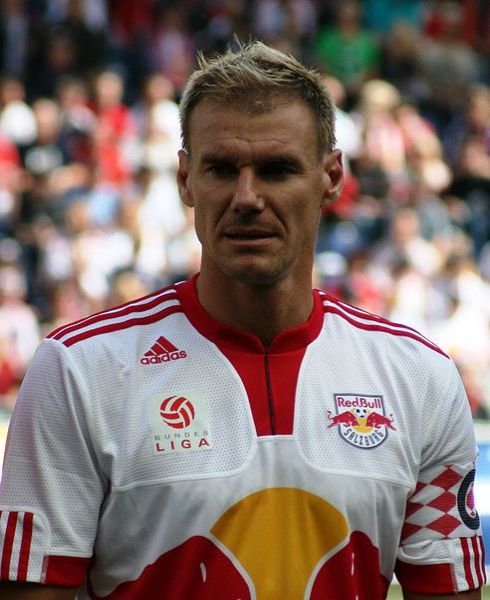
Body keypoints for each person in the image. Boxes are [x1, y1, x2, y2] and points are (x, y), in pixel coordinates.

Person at [0, 41, 485, 600]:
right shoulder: (79, 371)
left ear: (332, 177)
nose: (247, 197)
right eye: (222, 169)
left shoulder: (419, 377)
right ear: (185, 179)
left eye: (277, 170)